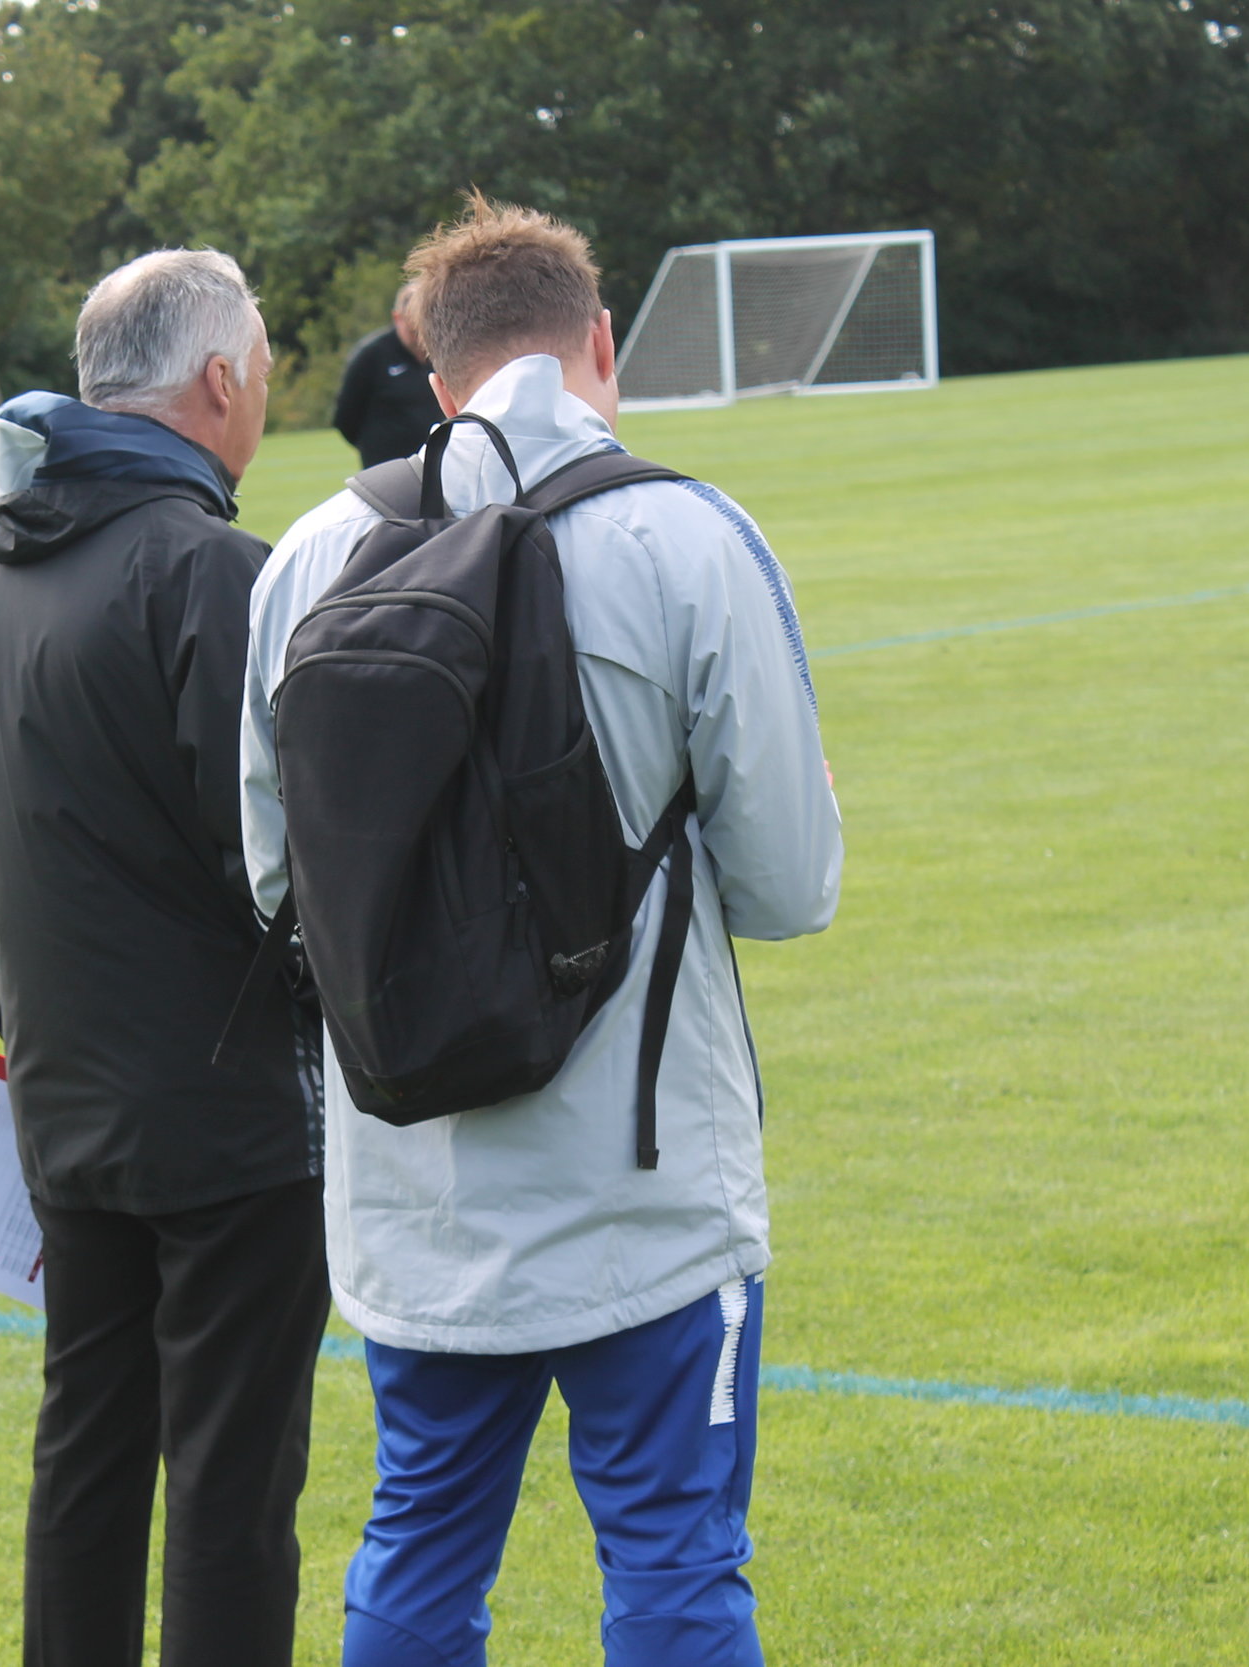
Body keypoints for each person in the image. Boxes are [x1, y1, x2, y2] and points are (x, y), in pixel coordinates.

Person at [241, 196, 844, 1666]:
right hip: (643, 1174)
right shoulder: (691, 532)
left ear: (433, 377)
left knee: (420, 1552)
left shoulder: (307, 554)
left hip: (415, 1176)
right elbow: (789, 882)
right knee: (676, 1564)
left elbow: (273, 881)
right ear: (602, 343)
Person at [0, 248, 328, 1667]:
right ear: (219, 379)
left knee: (86, 1450)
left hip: (62, 1097)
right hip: (229, 1122)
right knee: (231, 1478)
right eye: (265, 357)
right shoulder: (214, 571)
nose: (268, 384)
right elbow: (281, 872)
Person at [333, 281, 447, 467]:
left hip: (436, 465)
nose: (420, 337)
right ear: (397, 318)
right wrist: (376, 446)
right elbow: (345, 418)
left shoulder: (443, 353)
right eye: (413, 329)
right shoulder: (372, 356)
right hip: (386, 468)